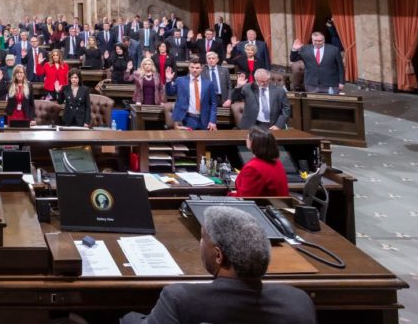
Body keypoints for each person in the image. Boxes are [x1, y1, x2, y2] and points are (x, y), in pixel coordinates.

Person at [120, 205, 315, 324]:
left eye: (203, 238)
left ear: (218, 255)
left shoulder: (179, 299)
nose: (200, 243)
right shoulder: (298, 302)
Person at [231, 127, 290, 198]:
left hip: (263, 207)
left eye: (247, 138)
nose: (246, 140)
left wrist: (228, 195)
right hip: (278, 206)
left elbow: (245, 198)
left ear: (253, 142)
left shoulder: (253, 168)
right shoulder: (277, 163)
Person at [165, 63, 218, 130]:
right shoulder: (180, 80)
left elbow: (213, 103)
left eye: (197, 68)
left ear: (201, 69)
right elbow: (170, 93)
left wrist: (212, 121)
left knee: (204, 140)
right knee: (189, 140)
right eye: (192, 67)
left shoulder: (208, 83)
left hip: (204, 119)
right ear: (189, 68)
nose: (194, 70)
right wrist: (168, 80)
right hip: (187, 119)